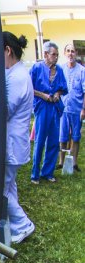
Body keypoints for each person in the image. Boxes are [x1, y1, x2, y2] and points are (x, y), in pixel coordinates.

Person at [0, 32, 36, 244]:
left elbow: (4, 110)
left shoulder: (18, 77)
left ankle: (23, 224)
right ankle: (12, 223)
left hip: (10, 143)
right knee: (9, 187)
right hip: (11, 142)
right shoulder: (13, 74)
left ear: (7, 51)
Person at [29, 41, 68, 184]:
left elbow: (63, 87)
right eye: (54, 54)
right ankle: (35, 174)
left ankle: (48, 172)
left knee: (53, 140)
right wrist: (43, 95)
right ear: (46, 54)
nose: (56, 57)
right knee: (39, 141)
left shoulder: (59, 70)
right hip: (42, 106)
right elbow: (29, 88)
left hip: (55, 107)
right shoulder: (36, 68)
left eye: (57, 55)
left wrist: (57, 93)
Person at [58, 44, 84, 172]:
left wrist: (83, 109)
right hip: (63, 109)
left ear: (76, 53)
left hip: (77, 109)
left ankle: (74, 163)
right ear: (64, 53)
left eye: (72, 51)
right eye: (68, 51)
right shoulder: (61, 69)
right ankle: (61, 162)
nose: (70, 54)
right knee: (62, 137)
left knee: (75, 137)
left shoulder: (82, 70)